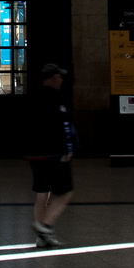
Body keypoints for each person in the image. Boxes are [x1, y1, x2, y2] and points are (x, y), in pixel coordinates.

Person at [24, 62, 77, 248]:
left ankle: (42, 238)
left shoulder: (33, 97)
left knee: (42, 193)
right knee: (65, 192)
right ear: (54, 78)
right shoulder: (57, 98)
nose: (61, 79)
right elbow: (65, 126)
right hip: (54, 154)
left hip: (35, 154)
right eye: (59, 76)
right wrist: (69, 149)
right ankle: (44, 226)